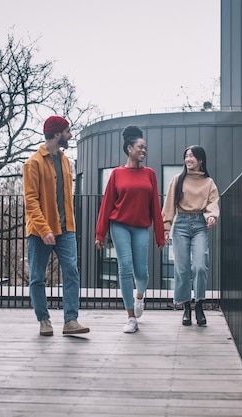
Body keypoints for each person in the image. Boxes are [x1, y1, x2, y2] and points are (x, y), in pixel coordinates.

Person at [23, 115, 90, 337]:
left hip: (66, 229)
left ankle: (71, 321)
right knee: (37, 276)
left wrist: (67, 226)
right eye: (68, 131)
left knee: (71, 271)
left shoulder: (65, 161)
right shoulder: (32, 163)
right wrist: (44, 229)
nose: (70, 135)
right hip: (40, 232)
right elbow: (31, 201)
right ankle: (44, 320)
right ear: (57, 134)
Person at [95, 125, 166, 333]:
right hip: (119, 225)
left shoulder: (150, 174)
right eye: (140, 147)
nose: (144, 150)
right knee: (125, 268)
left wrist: (160, 237)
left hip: (141, 228)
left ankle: (139, 297)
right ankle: (130, 317)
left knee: (141, 273)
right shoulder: (117, 174)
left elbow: (155, 206)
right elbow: (106, 205)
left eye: (145, 148)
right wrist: (100, 233)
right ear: (129, 149)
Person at [162, 145, 220, 326]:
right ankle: (186, 306)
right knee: (182, 268)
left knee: (200, 265)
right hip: (180, 225)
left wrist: (211, 216)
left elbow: (213, 203)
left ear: (200, 160)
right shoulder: (177, 180)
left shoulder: (208, 182)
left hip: (199, 225)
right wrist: (166, 227)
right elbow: (169, 205)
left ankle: (199, 304)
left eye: (192, 156)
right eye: (186, 156)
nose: (188, 159)